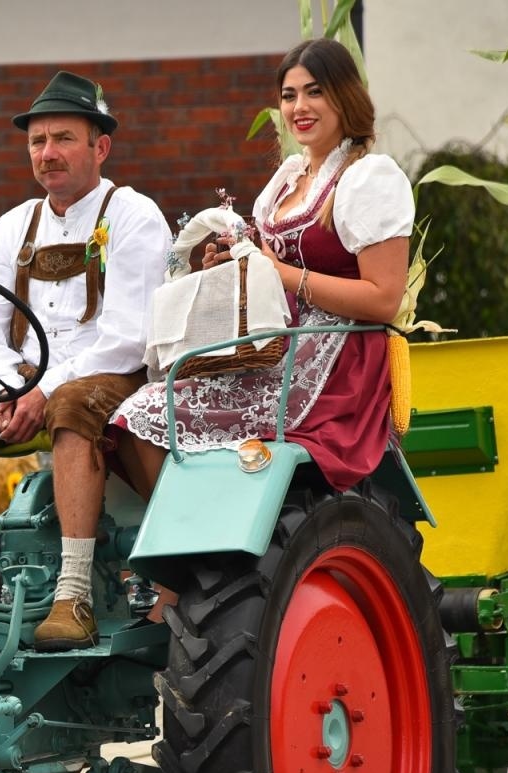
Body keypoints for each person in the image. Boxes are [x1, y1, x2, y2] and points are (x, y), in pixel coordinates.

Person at [110, 38, 413, 498]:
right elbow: (267, 272)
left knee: (149, 413)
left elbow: (384, 298)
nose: (299, 107)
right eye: (289, 96)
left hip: (336, 367)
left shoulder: (369, 178)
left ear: (345, 96)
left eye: (315, 92)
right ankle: (185, 548)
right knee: (132, 415)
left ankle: (188, 555)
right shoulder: (289, 178)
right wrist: (229, 268)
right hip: (274, 346)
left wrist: (284, 275)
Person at [0, 71, 171, 651]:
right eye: (38, 143)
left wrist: (43, 388)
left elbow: (126, 337)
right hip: (24, 387)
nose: (48, 154)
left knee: (70, 401)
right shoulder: (6, 231)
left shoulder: (134, 216)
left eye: (64, 138)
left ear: (100, 146)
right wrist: (14, 387)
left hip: (115, 379)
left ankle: (74, 595)